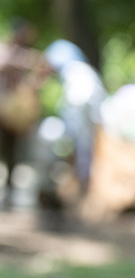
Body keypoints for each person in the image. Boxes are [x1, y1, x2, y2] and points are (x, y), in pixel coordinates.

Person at [40, 39, 106, 191]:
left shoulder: (72, 71)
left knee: (77, 142)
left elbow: (75, 106)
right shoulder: (83, 69)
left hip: (81, 99)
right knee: (87, 144)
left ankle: (82, 183)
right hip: (92, 99)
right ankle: (84, 182)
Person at [0, 19, 42, 208]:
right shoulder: (5, 51)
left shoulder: (26, 55)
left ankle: (9, 190)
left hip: (16, 112)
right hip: (3, 107)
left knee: (14, 152)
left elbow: (40, 67)